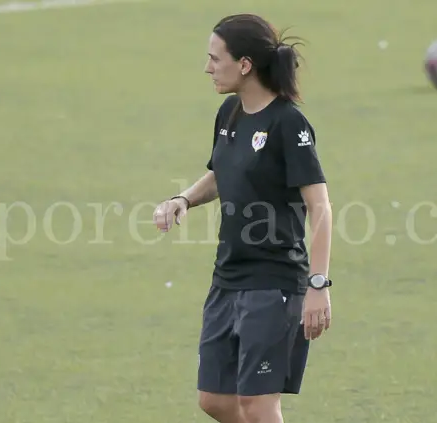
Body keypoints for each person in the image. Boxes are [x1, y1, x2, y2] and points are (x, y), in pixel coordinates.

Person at [152, 14, 334, 423]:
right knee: (213, 399)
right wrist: (183, 198)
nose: (208, 67)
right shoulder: (230, 112)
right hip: (227, 277)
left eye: (216, 59)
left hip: (274, 284)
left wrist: (318, 285)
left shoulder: (289, 123)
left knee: (258, 404)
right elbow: (222, 171)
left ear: (246, 65)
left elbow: (320, 207)